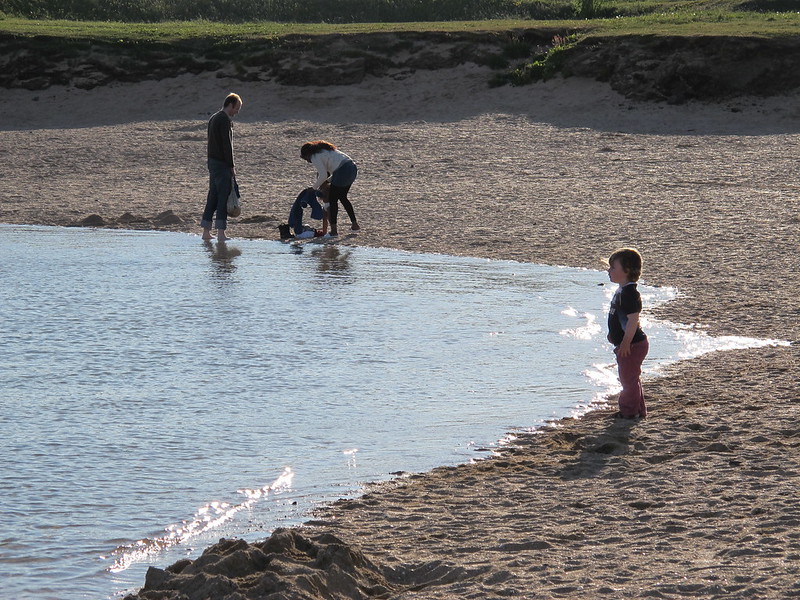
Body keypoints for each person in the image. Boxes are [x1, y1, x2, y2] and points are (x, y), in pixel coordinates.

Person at [606, 247, 649, 419]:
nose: (609, 271)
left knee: (628, 380)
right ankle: (638, 410)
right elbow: (617, 315)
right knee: (631, 378)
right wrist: (613, 334)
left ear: (627, 271)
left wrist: (625, 342)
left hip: (632, 344)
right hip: (628, 343)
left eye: (613, 268)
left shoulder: (630, 294)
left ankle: (629, 412)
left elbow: (632, 321)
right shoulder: (621, 291)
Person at [201, 93, 242, 242]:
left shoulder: (213, 118)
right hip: (222, 164)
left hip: (212, 162)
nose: (236, 112)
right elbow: (227, 145)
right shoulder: (224, 120)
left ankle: (206, 231)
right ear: (230, 105)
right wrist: (231, 166)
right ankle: (221, 233)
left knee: (212, 195)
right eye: (236, 108)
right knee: (223, 196)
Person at [300, 140, 359, 236]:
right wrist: (328, 181)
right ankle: (354, 224)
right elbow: (336, 170)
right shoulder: (325, 150)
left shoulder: (315, 156)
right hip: (352, 168)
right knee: (343, 197)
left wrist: (314, 188)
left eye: (306, 159)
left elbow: (323, 175)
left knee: (332, 200)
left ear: (308, 154)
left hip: (343, 170)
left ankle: (334, 230)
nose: (308, 161)